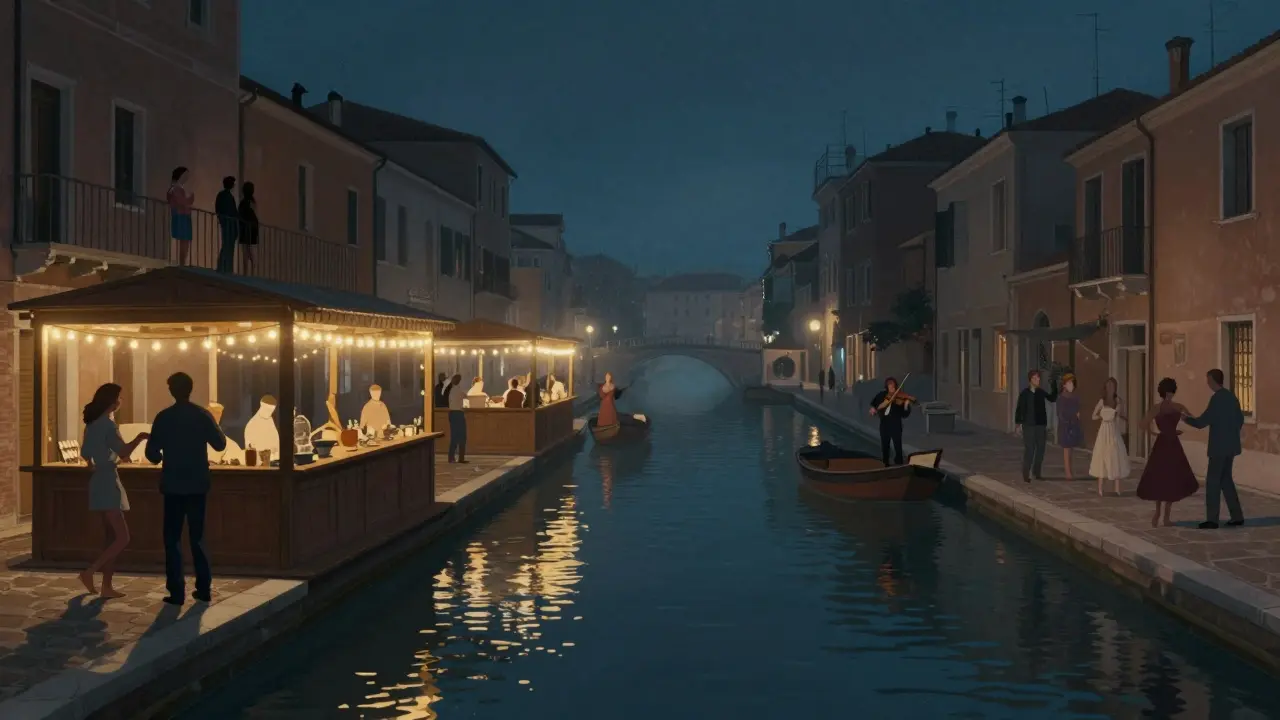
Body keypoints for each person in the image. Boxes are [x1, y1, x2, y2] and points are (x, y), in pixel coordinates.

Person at [145, 372, 226, 606]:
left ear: (171, 391)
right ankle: (203, 588)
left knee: (172, 539)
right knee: (198, 537)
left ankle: (176, 591)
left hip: (172, 485)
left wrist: (162, 455)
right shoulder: (202, 415)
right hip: (197, 484)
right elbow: (220, 444)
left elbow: (152, 454)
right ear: (190, 389)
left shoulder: (164, 417)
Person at [78, 384, 149, 598]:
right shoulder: (108, 425)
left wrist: (96, 462)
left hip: (97, 480)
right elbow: (124, 451)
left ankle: (106, 586)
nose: (121, 401)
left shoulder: (91, 425)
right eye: (119, 397)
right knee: (122, 538)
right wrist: (140, 437)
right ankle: (90, 572)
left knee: (111, 537)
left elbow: (85, 454)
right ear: (112, 401)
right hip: (109, 481)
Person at [1182, 368, 1246, 529]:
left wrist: (1186, 419)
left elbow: (1202, 422)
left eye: (1208, 380)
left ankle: (1212, 519)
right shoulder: (1231, 397)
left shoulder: (1217, 399)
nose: (1207, 383)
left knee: (1213, 481)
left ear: (1212, 380)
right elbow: (1240, 419)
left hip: (1218, 448)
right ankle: (1237, 516)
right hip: (1231, 447)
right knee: (1226, 480)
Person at [1137, 378, 1200, 527]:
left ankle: (1160, 513)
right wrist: (1173, 430)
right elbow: (1193, 419)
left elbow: (1142, 424)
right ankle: (1164, 516)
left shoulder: (1158, 408)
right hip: (1171, 444)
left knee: (1163, 478)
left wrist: (1155, 433)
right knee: (1170, 479)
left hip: (1163, 443)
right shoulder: (1177, 407)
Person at [1088, 377, 1132, 496]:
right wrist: (1101, 417)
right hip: (1104, 430)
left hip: (1113, 430)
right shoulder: (1102, 401)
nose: (1110, 388)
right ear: (1106, 387)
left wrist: (1126, 419)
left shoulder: (1118, 401)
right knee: (1102, 454)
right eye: (1108, 386)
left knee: (1115, 454)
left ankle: (1117, 488)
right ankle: (1100, 488)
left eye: (1112, 386)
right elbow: (1093, 416)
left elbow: (1120, 414)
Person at [1014, 369, 1058, 482]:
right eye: (1035, 378)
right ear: (1030, 380)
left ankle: (1036, 472)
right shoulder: (1024, 394)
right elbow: (1020, 409)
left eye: (1038, 378)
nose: (1037, 380)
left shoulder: (1040, 392)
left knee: (1041, 449)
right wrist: (1018, 424)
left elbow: (1052, 398)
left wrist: (1054, 384)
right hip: (1028, 425)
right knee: (1030, 449)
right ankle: (1026, 473)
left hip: (1040, 425)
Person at [868, 377, 911, 465]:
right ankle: (885, 464)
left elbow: (905, 415)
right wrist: (873, 409)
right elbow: (873, 404)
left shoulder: (900, 397)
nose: (892, 388)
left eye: (893, 386)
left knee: (898, 447)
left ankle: (899, 463)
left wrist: (906, 405)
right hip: (885, 424)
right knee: (885, 447)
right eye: (890, 386)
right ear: (886, 387)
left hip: (896, 425)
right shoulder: (881, 395)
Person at [1056, 373, 1084, 480]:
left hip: (1074, 425)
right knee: (1066, 448)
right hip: (1065, 426)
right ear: (1064, 385)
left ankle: (1070, 470)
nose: (1071, 385)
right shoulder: (1062, 398)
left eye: (1072, 383)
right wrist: (1071, 417)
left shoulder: (1075, 397)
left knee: (1071, 449)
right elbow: (1060, 414)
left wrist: (1077, 416)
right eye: (1069, 383)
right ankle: (1068, 472)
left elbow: (1078, 409)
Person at [167, 167, 195, 266]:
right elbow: (182, 202)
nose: (187, 178)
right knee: (184, 239)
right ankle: (182, 263)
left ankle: (183, 262)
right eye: (185, 175)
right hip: (181, 216)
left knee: (185, 240)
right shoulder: (175, 189)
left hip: (183, 216)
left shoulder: (178, 188)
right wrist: (190, 199)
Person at [214, 176, 238, 273]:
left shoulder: (223, 195)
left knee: (227, 245)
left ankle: (224, 267)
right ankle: (225, 267)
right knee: (228, 246)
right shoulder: (227, 196)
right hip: (229, 224)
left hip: (227, 224)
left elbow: (218, 209)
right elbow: (232, 211)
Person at [238, 181, 260, 276]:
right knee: (251, 250)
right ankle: (253, 272)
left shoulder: (244, 203)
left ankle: (246, 272)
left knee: (246, 251)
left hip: (245, 228)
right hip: (252, 228)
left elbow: (241, 215)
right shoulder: (252, 202)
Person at [446, 373, 468, 463]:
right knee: (462, 436)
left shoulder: (452, 390)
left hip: (452, 414)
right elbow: (467, 396)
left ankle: (451, 457)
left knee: (454, 436)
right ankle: (460, 458)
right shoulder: (458, 391)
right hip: (458, 414)